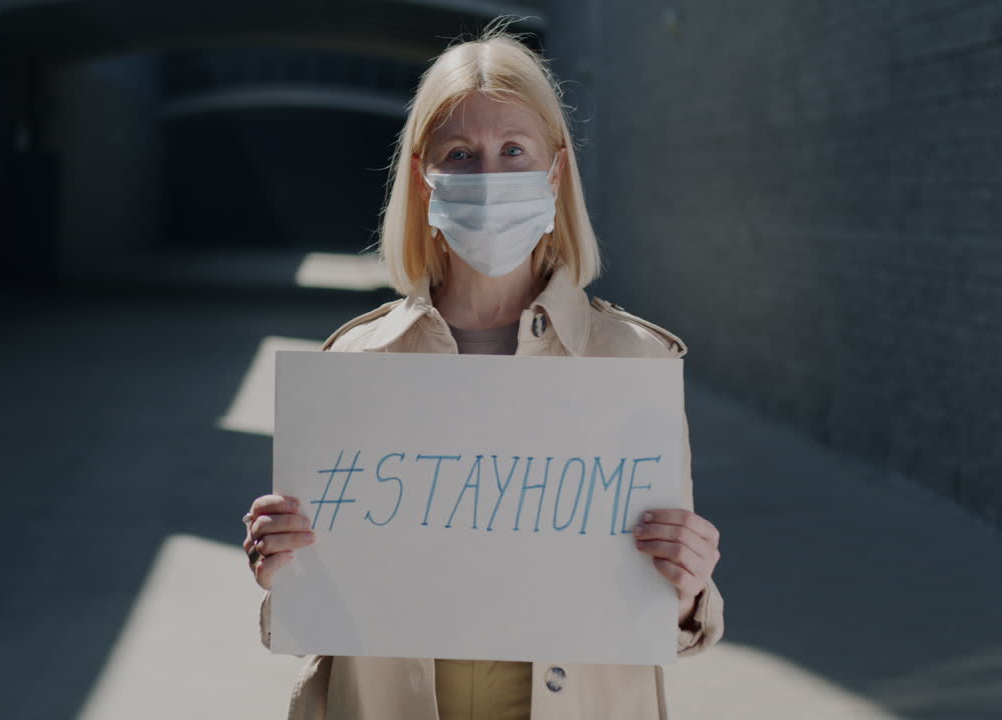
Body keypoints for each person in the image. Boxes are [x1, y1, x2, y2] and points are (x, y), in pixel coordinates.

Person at [241, 20, 724, 720]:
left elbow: (664, 620)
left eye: (513, 151)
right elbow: (315, 622)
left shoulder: (630, 365)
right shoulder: (357, 367)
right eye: (460, 153)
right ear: (422, 176)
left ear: (554, 174)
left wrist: (687, 590)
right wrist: (282, 570)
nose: (490, 177)